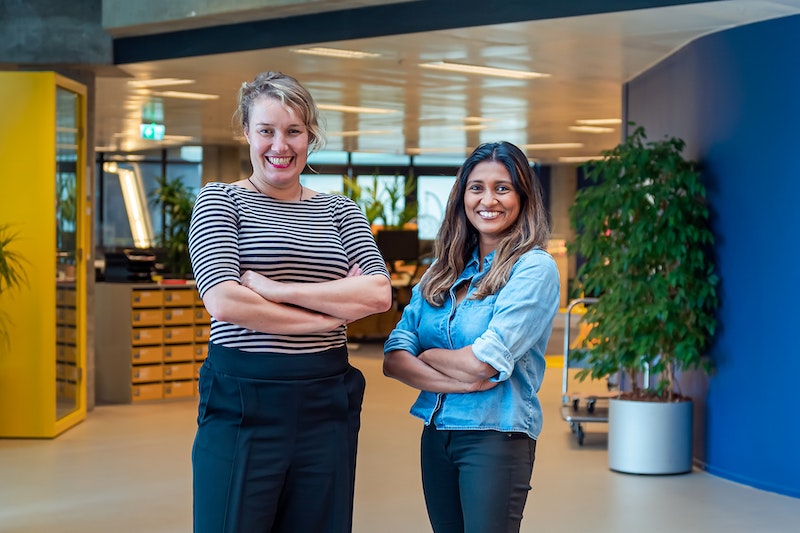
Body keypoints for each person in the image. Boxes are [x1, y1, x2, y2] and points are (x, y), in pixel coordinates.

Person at [188, 70, 393, 533]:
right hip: (242, 401)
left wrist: (276, 291)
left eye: (294, 131)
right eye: (266, 130)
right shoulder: (220, 202)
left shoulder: (341, 210)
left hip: (325, 401)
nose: (280, 145)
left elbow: (378, 293)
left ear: (310, 136)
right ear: (246, 132)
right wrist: (330, 314)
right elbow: (224, 301)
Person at [383, 141, 561, 533]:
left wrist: (427, 354)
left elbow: (485, 362)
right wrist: (459, 374)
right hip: (437, 433)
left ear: (523, 196)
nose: (488, 199)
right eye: (476, 187)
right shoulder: (440, 272)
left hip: (495, 435)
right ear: (462, 195)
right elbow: (395, 356)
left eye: (503, 187)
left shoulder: (533, 268)